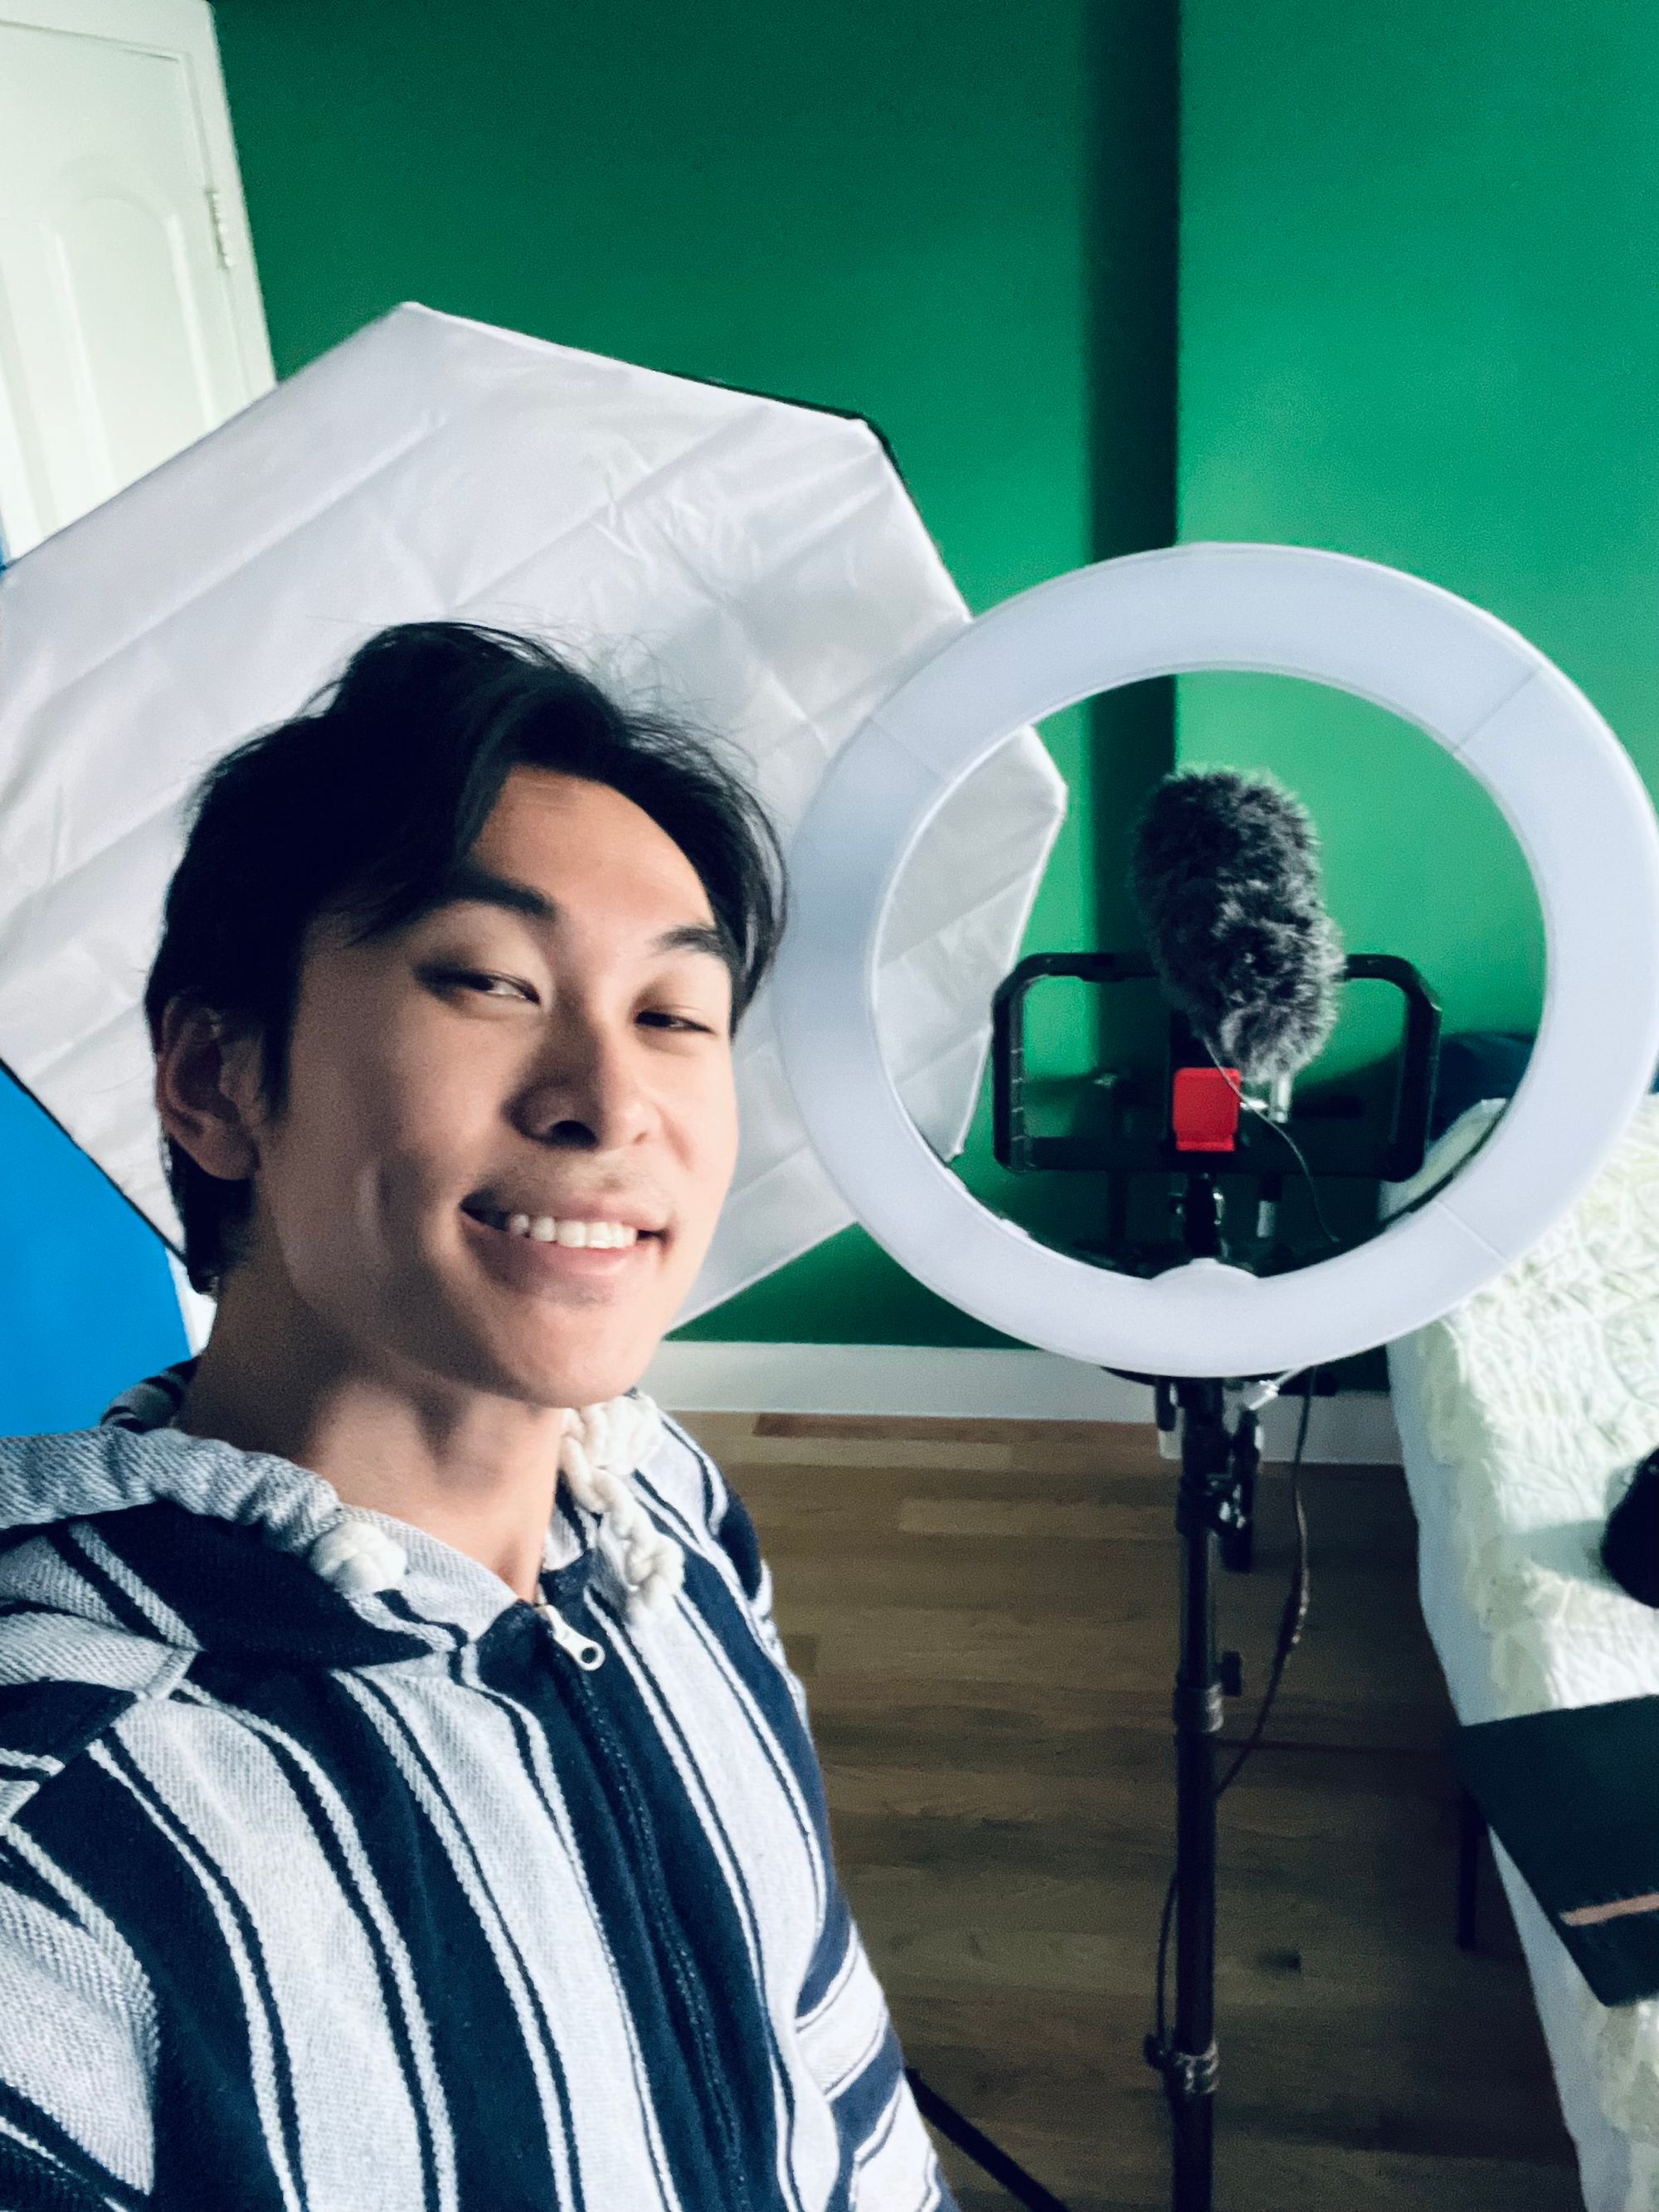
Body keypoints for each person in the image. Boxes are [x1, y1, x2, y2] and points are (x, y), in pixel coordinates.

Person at [0, 623, 956, 2212]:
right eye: (491, 982)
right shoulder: (56, 1810)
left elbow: (831, 2069)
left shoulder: (667, 1525)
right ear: (214, 1080)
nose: (610, 1099)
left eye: (676, 1013)